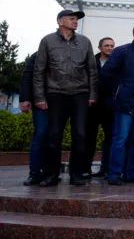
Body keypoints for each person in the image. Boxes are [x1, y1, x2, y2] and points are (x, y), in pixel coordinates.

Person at [33, 10, 98, 187]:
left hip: (80, 94)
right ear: (60, 21)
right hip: (56, 93)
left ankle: (77, 174)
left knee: (80, 135)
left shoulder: (85, 42)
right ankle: (51, 174)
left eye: (76, 19)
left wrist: (92, 94)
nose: (75, 21)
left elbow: (92, 70)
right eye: (71, 18)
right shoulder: (48, 41)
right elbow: (39, 71)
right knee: (53, 135)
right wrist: (39, 96)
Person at [101, 23, 134, 185]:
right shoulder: (122, 51)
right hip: (125, 103)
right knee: (120, 139)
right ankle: (114, 174)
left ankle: (131, 173)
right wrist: (116, 95)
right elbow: (106, 75)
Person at [85, 36, 115, 178]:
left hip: (110, 106)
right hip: (92, 105)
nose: (109, 48)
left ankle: (106, 168)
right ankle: (86, 168)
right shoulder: (91, 62)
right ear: (100, 47)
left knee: (110, 139)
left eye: (111, 46)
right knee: (89, 138)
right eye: (106, 45)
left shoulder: (117, 63)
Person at [19, 52, 49, 185]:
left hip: (61, 102)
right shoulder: (38, 55)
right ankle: (35, 173)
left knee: (54, 137)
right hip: (40, 101)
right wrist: (25, 98)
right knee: (40, 134)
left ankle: (50, 172)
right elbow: (27, 76)